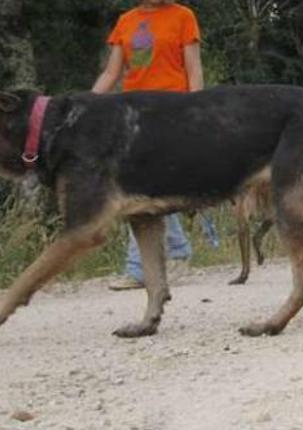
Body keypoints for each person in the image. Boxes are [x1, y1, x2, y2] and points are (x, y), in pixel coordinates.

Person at [92, 0, 204, 290]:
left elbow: (193, 69)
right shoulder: (126, 21)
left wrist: (198, 111)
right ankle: (175, 251)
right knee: (147, 186)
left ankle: (141, 266)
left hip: (173, 111)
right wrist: (86, 103)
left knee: (144, 186)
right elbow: (111, 73)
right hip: (134, 114)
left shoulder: (183, 16)